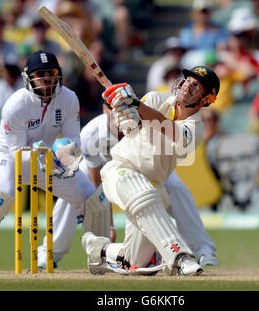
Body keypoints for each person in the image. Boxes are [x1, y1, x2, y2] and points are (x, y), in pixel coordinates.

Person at [0, 50, 109, 273]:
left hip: (48, 159)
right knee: (0, 196)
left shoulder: (68, 98)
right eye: (40, 74)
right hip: (8, 156)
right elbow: (17, 153)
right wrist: (44, 154)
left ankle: (101, 260)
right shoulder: (16, 104)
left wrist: (64, 154)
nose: (46, 78)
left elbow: (74, 138)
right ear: (28, 78)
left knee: (95, 200)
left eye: (51, 73)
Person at [37, 102, 218, 268]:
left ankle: (203, 249)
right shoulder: (92, 133)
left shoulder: (141, 123)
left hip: (140, 166)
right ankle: (49, 253)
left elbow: (154, 159)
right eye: (112, 108)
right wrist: (109, 226)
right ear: (104, 110)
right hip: (105, 171)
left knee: (176, 187)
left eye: (121, 107)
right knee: (74, 185)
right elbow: (96, 181)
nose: (117, 113)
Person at [81, 65, 220, 276]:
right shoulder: (155, 98)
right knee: (144, 194)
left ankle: (97, 249)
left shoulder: (196, 129)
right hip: (121, 170)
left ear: (207, 99)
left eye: (196, 86)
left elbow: (170, 130)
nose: (187, 87)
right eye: (187, 82)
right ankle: (179, 256)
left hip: (153, 184)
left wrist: (135, 105)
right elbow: (130, 127)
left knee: (136, 261)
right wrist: (123, 109)